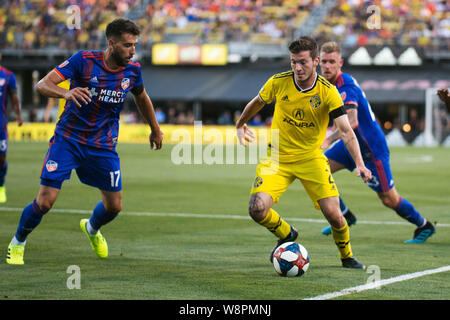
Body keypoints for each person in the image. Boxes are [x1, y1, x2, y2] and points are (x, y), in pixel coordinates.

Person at [6, 18, 163, 265]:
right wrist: (66, 92)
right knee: (45, 201)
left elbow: (142, 97)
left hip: (103, 145)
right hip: (68, 140)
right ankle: (18, 241)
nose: (132, 51)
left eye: (135, 45)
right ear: (111, 43)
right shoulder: (84, 60)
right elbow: (42, 84)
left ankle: (91, 228)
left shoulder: (133, 71)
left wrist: (155, 129)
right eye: (127, 45)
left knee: (114, 206)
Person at [236, 36, 372, 269]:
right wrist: (240, 124)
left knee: (335, 215)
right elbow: (257, 102)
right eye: (293, 62)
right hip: (277, 157)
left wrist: (359, 163)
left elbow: (347, 131)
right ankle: (287, 234)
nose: (297, 68)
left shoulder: (328, 92)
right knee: (257, 209)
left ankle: (347, 256)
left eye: (302, 62)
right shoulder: (278, 82)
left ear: (315, 61)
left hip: (311, 159)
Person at [319, 41, 435, 243]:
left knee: (388, 199)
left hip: (371, 150)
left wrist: (328, 139)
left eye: (332, 62)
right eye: (324, 62)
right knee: (317, 171)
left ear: (340, 63)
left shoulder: (344, 84)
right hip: (348, 145)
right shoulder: (327, 85)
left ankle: (424, 225)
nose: (327, 66)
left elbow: (352, 122)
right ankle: (344, 214)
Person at [0, 53, 24, 203]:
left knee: (1, 159)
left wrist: (19, 115)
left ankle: (1, 187)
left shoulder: (8, 76)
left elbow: (15, 99)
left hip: (0, 124)